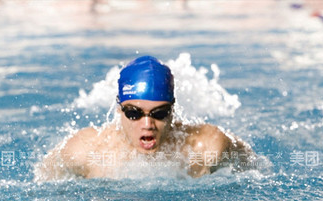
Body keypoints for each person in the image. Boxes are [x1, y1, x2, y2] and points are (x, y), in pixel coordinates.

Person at [38, 55, 254, 180]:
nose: (148, 125)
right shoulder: (85, 151)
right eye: (134, 113)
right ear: (119, 109)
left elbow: (255, 168)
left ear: (172, 110)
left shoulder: (206, 148)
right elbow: (43, 179)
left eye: (159, 113)